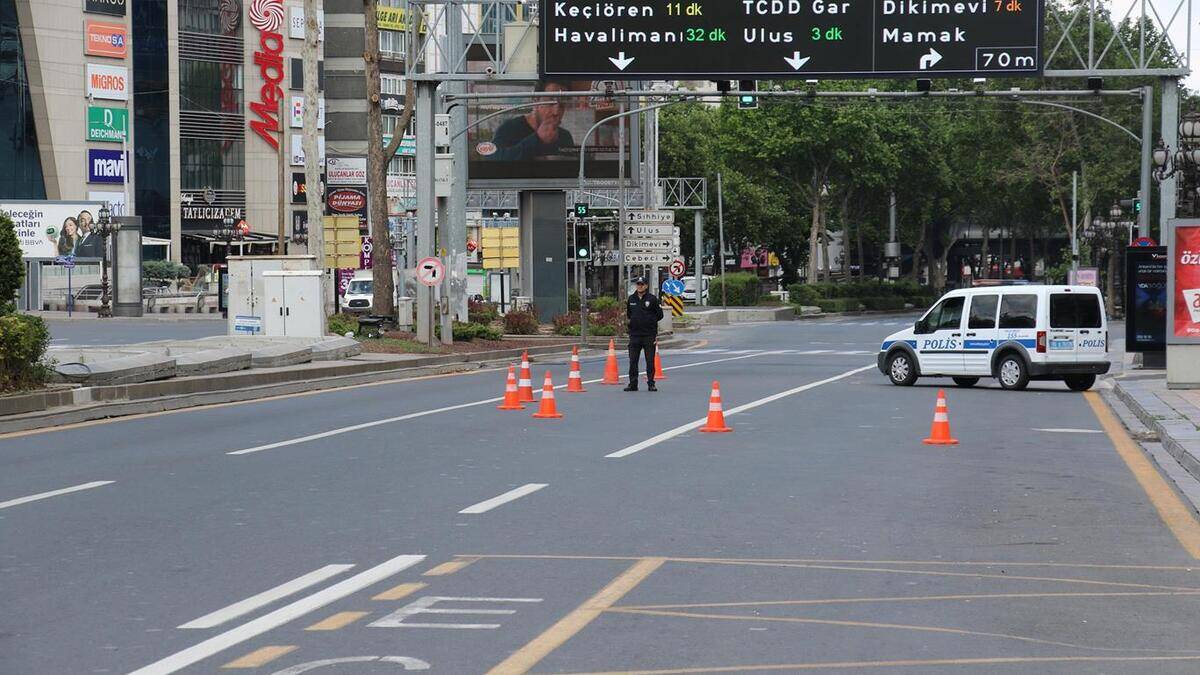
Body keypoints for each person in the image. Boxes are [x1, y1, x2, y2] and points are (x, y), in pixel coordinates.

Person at [488, 81, 575, 162]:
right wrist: (537, 139)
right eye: (550, 102)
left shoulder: (565, 136)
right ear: (535, 100)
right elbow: (494, 161)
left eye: (562, 105)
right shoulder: (509, 129)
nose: (556, 112)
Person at [625, 276, 664, 392]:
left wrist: (650, 321)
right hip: (635, 334)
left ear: (646, 286)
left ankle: (651, 383)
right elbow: (629, 314)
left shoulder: (652, 299)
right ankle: (633, 384)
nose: (640, 286)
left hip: (648, 335)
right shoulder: (631, 299)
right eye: (638, 284)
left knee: (650, 361)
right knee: (633, 361)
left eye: (642, 284)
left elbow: (660, 315)